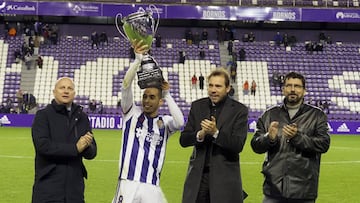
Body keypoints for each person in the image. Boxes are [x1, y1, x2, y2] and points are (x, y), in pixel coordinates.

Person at [112, 39, 184, 203]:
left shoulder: (164, 123)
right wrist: (137, 61)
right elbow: (125, 86)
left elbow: (180, 122)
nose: (147, 100)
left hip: (152, 186)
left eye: (152, 97)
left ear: (160, 101)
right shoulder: (131, 114)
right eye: (145, 96)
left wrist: (167, 94)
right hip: (128, 183)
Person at [251, 72, 330, 203]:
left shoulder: (317, 116)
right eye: (289, 86)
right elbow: (255, 145)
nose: (293, 89)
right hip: (273, 189)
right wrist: (268, 138)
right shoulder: (269, 115)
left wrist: (297, 137)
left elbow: (323, 144)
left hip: (303, 191)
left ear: (304, 91)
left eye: (297, 86)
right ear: (283, 90)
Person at [180, 68, 248, 203]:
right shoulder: (197, 106)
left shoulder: (240, 110)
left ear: (228, 88)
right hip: (198, 178)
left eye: (218, 86)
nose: (213, 90)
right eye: (210, 85)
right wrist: (200, 134)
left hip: (225, 180)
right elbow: (184, 139)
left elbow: (237, 145)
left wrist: (216, 133)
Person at [31, 77, 97, 202]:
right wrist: (75, 148)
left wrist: (88, 145)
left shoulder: (82, 117)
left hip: (75, 191)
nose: (66, 91)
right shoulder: (43, 115)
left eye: (70, 88)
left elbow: (92, 153)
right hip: (48, 189)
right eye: (62, 88)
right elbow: (43, 146)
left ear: (74, 93)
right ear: (54, 92)